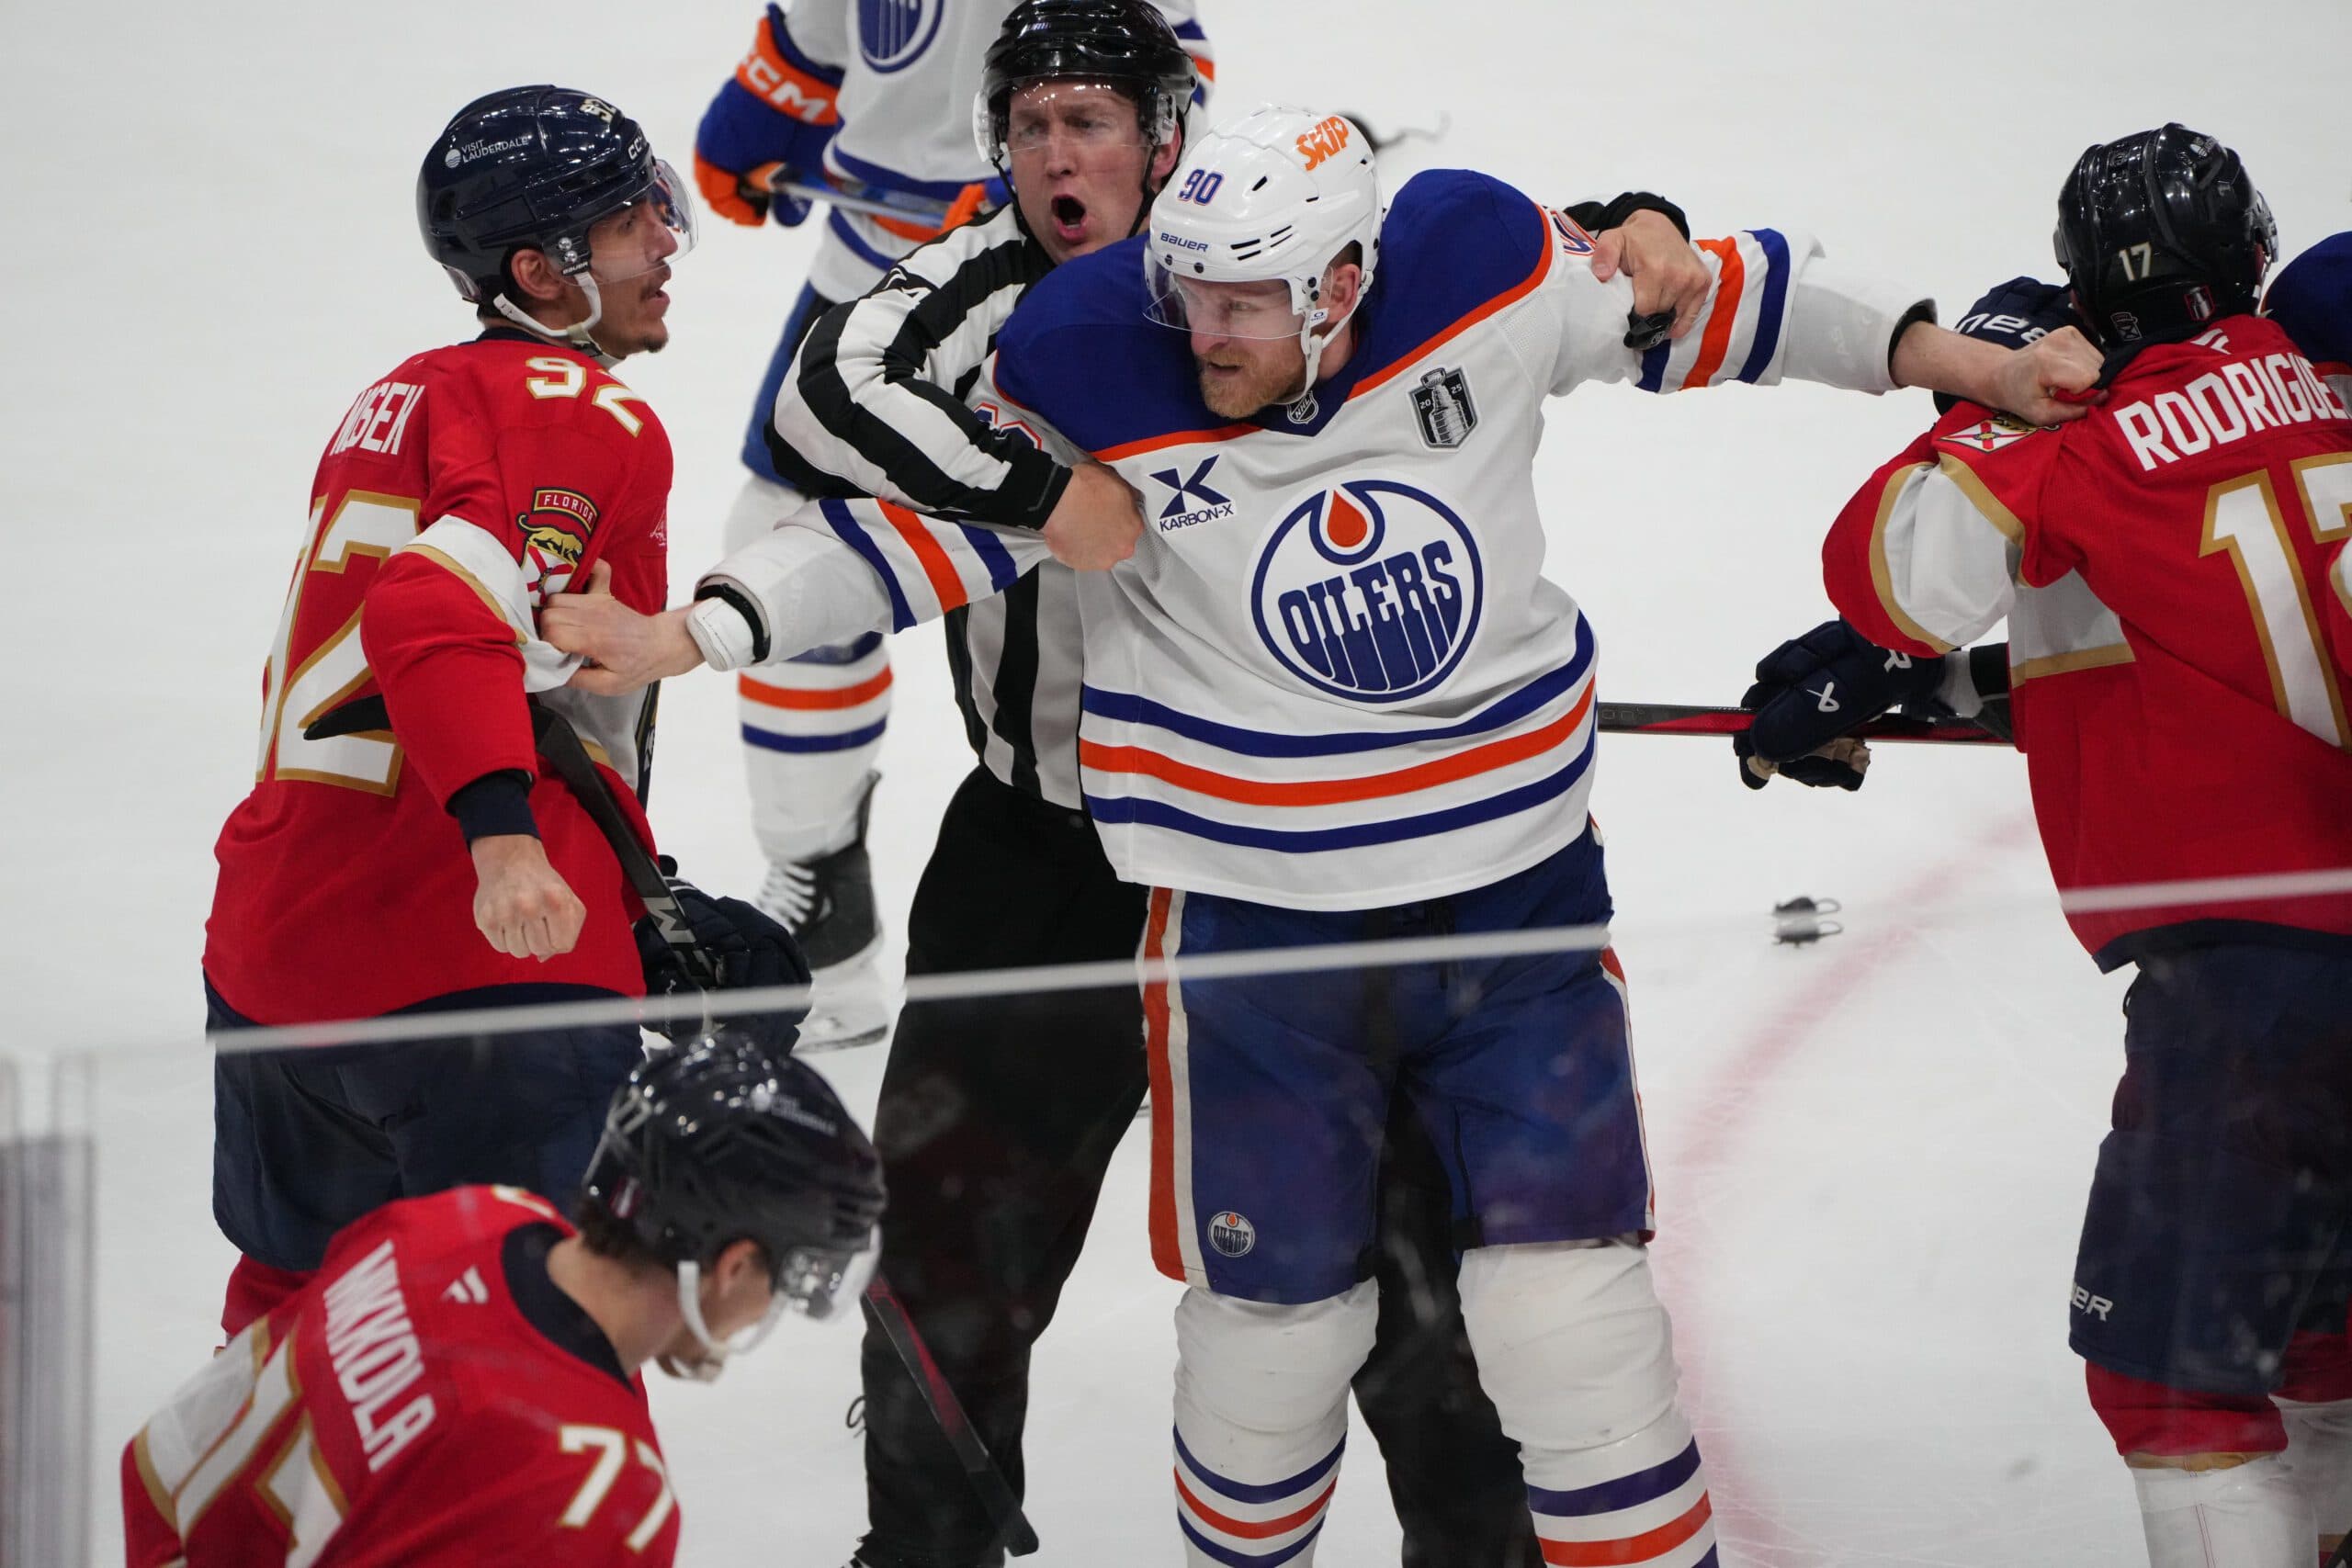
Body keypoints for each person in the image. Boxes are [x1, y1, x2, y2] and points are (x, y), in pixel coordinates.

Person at [561, 96, 2089, 1564]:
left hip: (1516, 921)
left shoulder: (1482, 277)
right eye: (1194, 293)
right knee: (1268, 1351)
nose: (1207, 331)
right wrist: (697, 632)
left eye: (1249, 303)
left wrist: (1971, 363)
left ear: (1348, 277)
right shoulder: (1103, 364)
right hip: (1257, 946)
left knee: (1574, 1333)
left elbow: (1723, 303)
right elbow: (897, 545)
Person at [1736, 125, 2352, 1567]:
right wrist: (1965, 686)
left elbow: (1890, 572)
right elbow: (2224, 630)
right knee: (2321, 1344)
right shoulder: (2329, 390)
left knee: (2173, 1376)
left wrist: (1997, 384)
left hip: (2253, 987)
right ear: (2252, 258)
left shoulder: (2088, 438)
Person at [199, 85, 795, 1344]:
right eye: (635, 221)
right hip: (473, 976)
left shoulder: (400, 397)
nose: (669, 243)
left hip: (277, 952)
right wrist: (504, 838)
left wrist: (641, 893)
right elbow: (432, 615)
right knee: (518, 1357)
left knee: (298, 1330)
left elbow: (510, 673)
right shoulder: (583, 412)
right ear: (541, 267)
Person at [689, 0, 1214, 1047]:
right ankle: (820, 886)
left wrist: (1053, 178)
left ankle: (1178, 901)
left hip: (1078, 279)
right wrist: (763, 113)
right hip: (879, 277)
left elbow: (1169, 82)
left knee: (1149, 542)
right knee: (779, 535)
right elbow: (814, 46)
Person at [122, 1037, 887, 1567]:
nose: (769, 1307)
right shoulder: (598, 1489)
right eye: (783, 1280)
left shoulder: (467, 1218)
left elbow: (165, 1456)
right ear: (734, 1265)